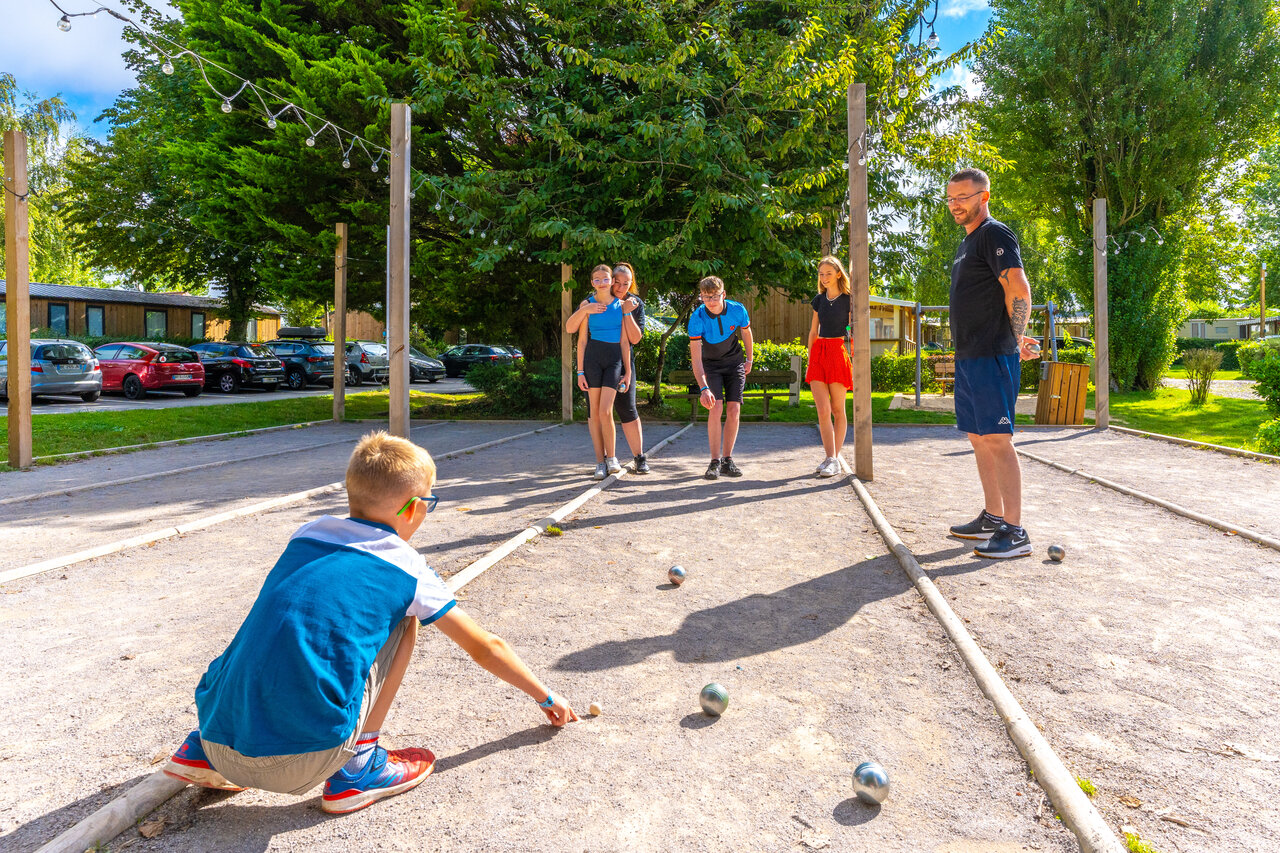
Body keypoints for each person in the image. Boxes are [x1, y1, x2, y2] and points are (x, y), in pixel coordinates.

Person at [162, 431, 577, 813]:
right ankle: (359, 766)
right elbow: (486, 647)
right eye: (429, 503)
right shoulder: (405, 567)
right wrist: (545, 696)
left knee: (287, 620)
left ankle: (197, 749)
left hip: (218, 741)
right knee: (406, 619)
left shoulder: (307, 534)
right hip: (306, 759)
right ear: (414, 509)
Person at [943, 168, 1040, 558]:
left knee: (998, 439)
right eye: (950, 198)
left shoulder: (994, 234)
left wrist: (1014, 338)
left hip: (991, 354)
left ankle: (1015, 532)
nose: (955, 205)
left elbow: (1017, 287)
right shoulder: (968, 243)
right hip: (969, 356)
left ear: (984, 197)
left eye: (962, 197)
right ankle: (993, 516)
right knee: (978, 437)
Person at [565, 265, 633, 480]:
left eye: (605, 279)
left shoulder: (620, 306)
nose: (602, 282)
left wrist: (628, 372)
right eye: (597, 279)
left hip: (613, 361)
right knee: (594, 414)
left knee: (605, 411)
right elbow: (580, 338)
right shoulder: (588, 305)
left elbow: (624, 342)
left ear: (611, 280)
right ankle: (599, 462)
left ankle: (612, 458)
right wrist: (580, 372)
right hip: (592, 360)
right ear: (592, 282)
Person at [688, 275, 753, 480]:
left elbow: (747, 333)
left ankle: (728, 460)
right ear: (701, 297)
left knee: (734, 409)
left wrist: (750, 359)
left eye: (715, 296)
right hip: (711, 366)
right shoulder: (697, 318)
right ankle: (714, 461)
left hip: (734, 363)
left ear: (723, 294)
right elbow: (696, 358)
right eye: (706, 297)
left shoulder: (737, 309)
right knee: (715, 407)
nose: (711, 301)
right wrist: (703, 387)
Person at [805, 256, 854, 478]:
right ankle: (829, 458)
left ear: (838, 274)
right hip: (818, 354)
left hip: (837, 352)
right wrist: (810, 359)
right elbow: (813, 331)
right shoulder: (819, 300)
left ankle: (834, 459)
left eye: (828, 273)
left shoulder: (849, 299)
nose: (824, 278)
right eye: (821, 274)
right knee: (823, 410)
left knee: (837, 410)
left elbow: (853, 330)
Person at [611, 262, 650, 474]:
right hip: (599, 361)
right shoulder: (599, 301)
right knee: (600, 412)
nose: (621, 287)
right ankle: (607, 459)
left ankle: (639, 457)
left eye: (626, 283)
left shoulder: (636, 303)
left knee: (628, 408)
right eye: (617, 282)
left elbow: (635, 338)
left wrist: (627, 312)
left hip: (625, 362)